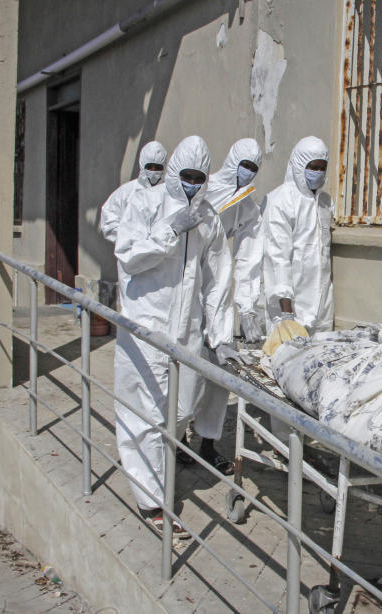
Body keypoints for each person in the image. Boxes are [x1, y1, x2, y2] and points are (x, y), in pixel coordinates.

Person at [113, 135, 242, 530]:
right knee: (147, 414)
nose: (192, 184)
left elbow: (219, 280)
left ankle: (158, 466)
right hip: (146, 326)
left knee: (183, 407)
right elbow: (129, 257)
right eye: (186, 175)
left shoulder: (208, 219)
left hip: (186, 332)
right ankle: (152, 502)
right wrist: (169, 231)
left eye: (199, 177)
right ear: (173, 173)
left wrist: (222, 337)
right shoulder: (145, 204)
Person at [260, 136, 334, 333]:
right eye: (313, 167)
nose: (318, 173)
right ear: (299, 166)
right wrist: (286, 314)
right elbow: (278, 258)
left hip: (321, 310)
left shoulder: (325, 203)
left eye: (322, 167)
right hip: (290, 309)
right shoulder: (281, 200)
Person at [203, 138, 265, 342]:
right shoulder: (204, 188)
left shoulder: (246, 206)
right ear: (233, 161)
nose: (249, 171)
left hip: (214, 263)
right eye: (245, 165)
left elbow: (249, 258)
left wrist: (247, 309)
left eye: (253, 167)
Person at [99, 140, 167, 243]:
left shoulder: (168, 195)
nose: (153, 171)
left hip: (159, 256)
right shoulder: (126, 193)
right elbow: (108, 222)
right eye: (149, 167)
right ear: (142, 164)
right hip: (131, 256)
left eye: (157, 167)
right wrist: (130, 240)